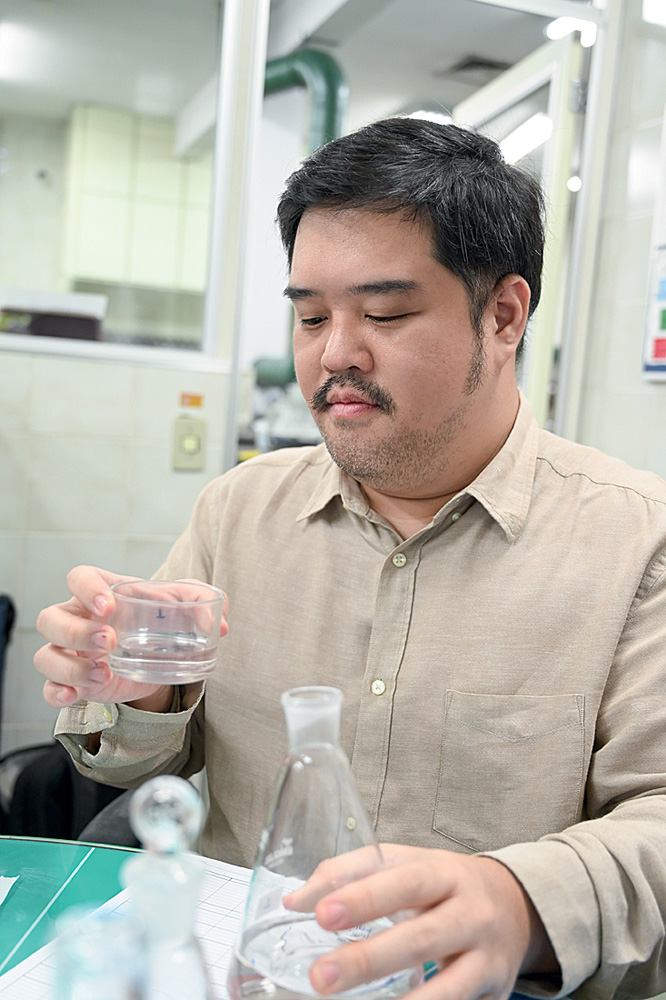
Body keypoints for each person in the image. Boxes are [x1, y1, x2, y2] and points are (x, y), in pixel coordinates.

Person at [34, 118, 666, 1000]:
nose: (335, 353)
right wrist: (141, 692)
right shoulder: (239, 510)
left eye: (385, 314)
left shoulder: (637, 543)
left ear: (505, 314)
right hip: (255, 970)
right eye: (310, 316)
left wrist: (520, 900)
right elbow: (132, 767)